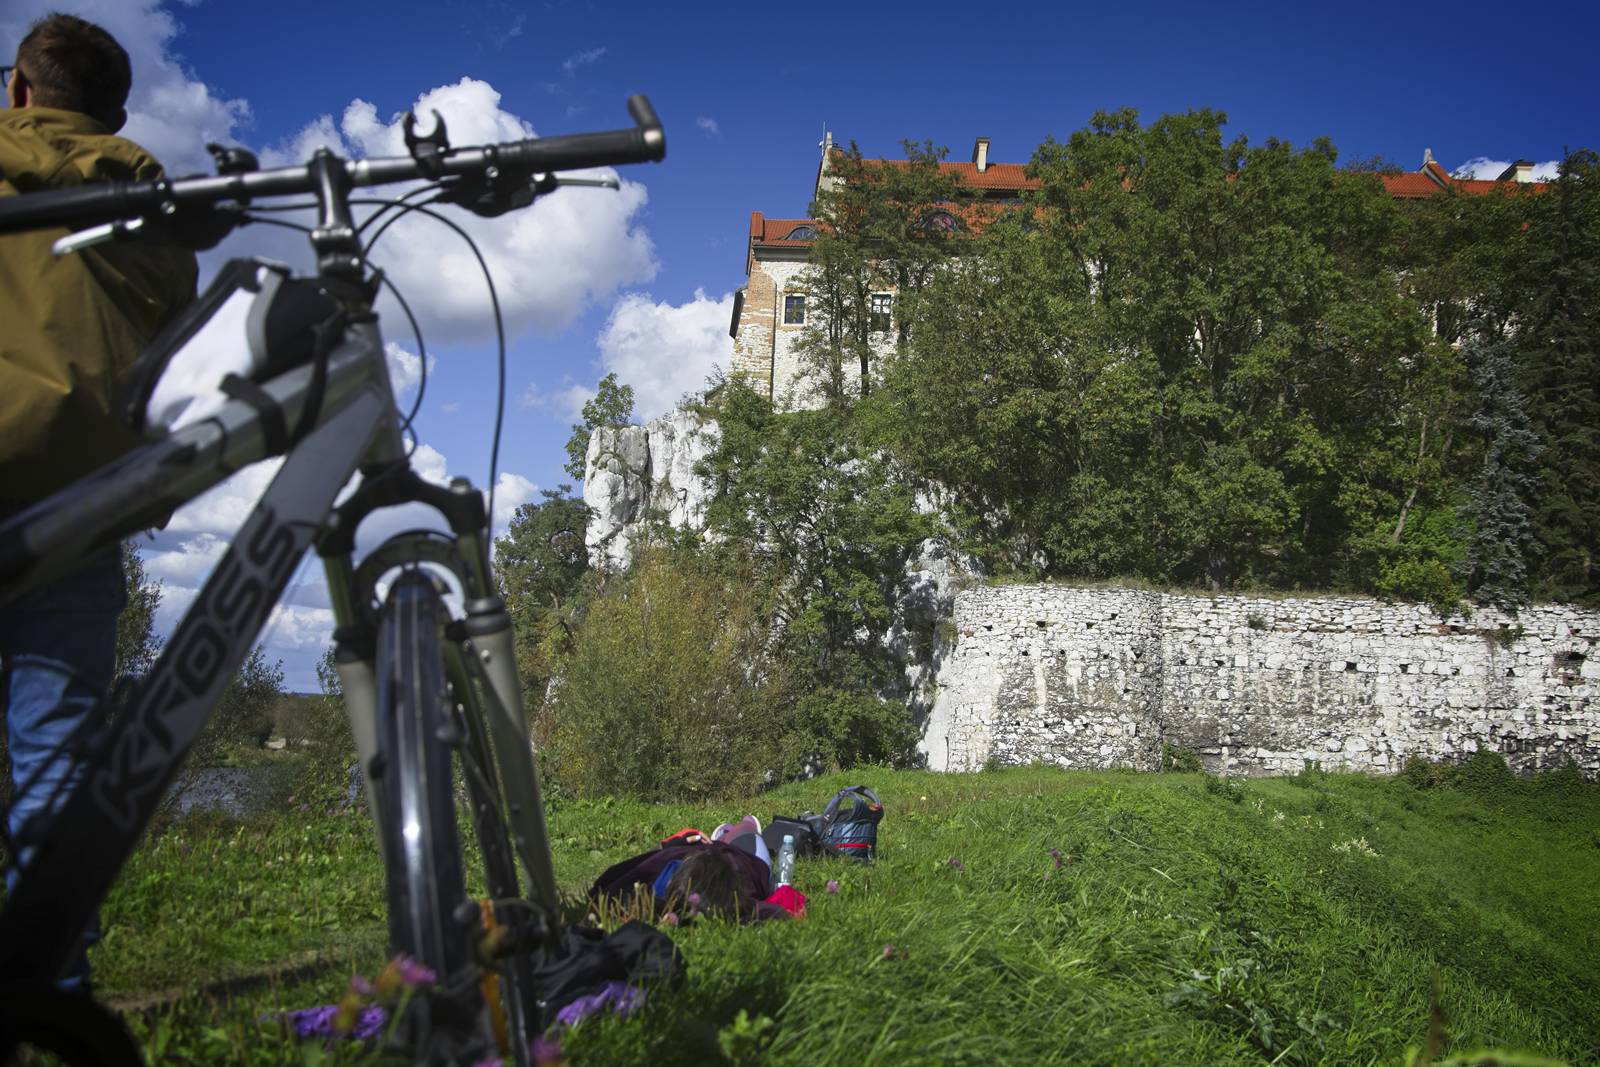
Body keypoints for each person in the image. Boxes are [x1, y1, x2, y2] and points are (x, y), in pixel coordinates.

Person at [0, 13, 197, 991]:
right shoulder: (148, 209)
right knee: (55, 748)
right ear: (115, 111)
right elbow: (174, 365)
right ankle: (50, 989)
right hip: (76, 505)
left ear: (21, 89)